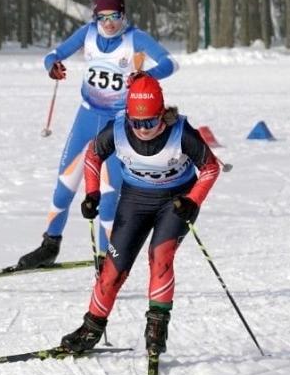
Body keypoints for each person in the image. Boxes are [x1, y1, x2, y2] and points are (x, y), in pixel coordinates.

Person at [17, 0, 178, 270]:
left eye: (114, 16)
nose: (109, 24)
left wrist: (145, 74)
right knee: (65, 185)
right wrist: (52, 66)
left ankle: (106, 259)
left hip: (118, 125)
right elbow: (54, 54)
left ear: (123, 15)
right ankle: (49, 244)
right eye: (102, 17)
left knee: (108, 191)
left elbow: (171, 62)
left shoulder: (134, 39)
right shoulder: (88, 33)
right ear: (95, 17)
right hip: (86, 118)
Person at [60, 74, 220, 355]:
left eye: (150, 122)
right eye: (137, 123)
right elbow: (92, 155)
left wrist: (193, 200)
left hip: (175, 202)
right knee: (112, 269)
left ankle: (157, 325)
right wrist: (92, 193)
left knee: (160, 257)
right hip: (134, 201)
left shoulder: (182, 132)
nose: (143, 129)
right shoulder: (118, 128)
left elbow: (210, 168)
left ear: (163, 114)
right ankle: (91, 328)